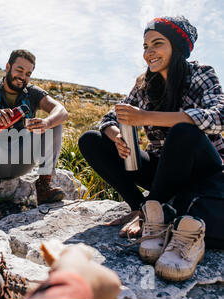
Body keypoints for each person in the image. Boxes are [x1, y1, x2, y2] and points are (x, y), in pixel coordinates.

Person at [79, 16, 223, 281]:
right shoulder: (144, 83)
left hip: (202, 170)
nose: (149, 53)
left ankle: (151, 210)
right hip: (164, 172)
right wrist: (116, 137)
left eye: (157, 43)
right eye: (145, 46)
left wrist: (145, 118)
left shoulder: (201, 74)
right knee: (90, 139)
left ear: (178, 47)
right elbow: (110, 118)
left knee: (183, 131)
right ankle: (140, 207)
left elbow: (218, 116)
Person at [0, 49, 69, 219]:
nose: (23, 76)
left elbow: (61, 110)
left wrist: (47, 122)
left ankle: (44, 187)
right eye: (19, 70)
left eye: (28, 73)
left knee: (54, 124)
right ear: (8, 67)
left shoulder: (33, 93)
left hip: (23, 161)